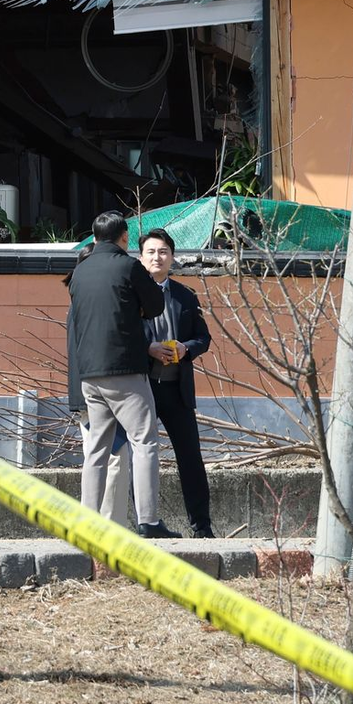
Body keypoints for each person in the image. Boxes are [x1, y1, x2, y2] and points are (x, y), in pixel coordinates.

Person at [67, 211, 178, 539]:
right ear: (125, 238)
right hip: (125, 369)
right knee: (144, 440)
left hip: (89, 373)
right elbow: (156, 305)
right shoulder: (129, 266)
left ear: (94, 234)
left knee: (97, 448)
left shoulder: (80, 271)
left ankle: (87, 519)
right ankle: (149, 520)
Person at [139, 228, 215, 538]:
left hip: (177, 388)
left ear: (172, 257)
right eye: (151, 252)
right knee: (141, 455)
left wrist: (186, 349)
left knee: (191, 458)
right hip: (141, 387)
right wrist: (148, 348)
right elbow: (123, 335)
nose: (157, 257)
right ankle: (144, 522)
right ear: (141, 258)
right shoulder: (129, 293)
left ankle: (202, 527)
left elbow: (204, 337)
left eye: (163, 252)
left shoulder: (186, 295)